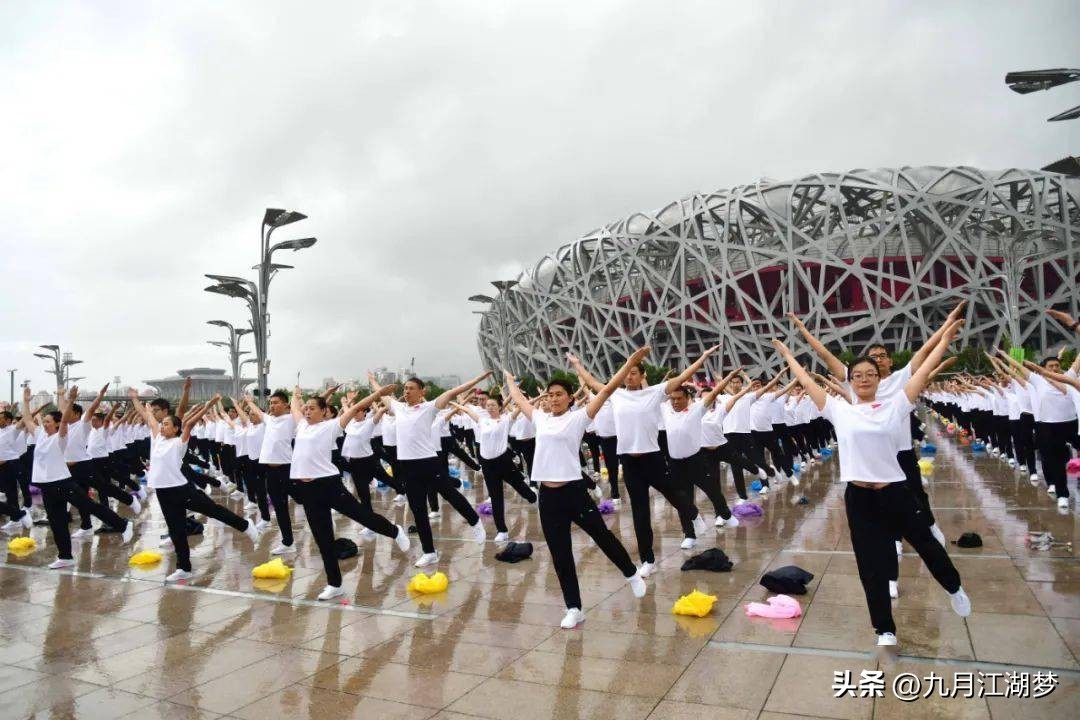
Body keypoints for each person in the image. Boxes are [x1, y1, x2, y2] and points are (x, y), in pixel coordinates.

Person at [771, 316, 971, 649]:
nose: (863, 379)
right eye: (857, 375)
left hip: (894, 491)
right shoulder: (839, 410)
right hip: (860, 497)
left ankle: (954, 587)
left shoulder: (895, 405)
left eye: (870, 374)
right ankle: (884, 629)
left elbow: (922, 369)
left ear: (879, 379)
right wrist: (787, 354)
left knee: (926, 543)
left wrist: (946, 339)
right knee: (870, 563)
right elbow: (805, 380)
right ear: (849, 381)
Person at [504, 348, 651, 629]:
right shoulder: (540, 418)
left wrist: (631, 363)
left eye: (559, 394)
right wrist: (510, 381)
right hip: (548, 497)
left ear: (570, 398)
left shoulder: (579, 417)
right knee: (560, 554)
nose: (553, 399)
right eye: (550, 395)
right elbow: (520, 400)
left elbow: (606, 390)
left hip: (573, 492)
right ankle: (574, 607)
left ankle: (631, 573)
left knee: (602, 536)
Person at [567, 348, 715, 576]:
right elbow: (592, 382)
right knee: (640, 512)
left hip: (652, 457)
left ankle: (693, 515)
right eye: (627, 372)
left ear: (642, 375)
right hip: (629, 461)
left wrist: (702, 357)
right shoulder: (616, 394)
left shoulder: (655, 392)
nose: (629, 377)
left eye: (634, 372)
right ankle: (647, 559)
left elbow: (682, 377)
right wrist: (577, 364)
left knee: (673, 493)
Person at [288, 384, 410, 600]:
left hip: (328, 485)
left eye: (312, 408)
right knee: (323, 538)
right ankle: (335, 584)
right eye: (306, 408)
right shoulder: (302, 427)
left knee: (361, 514)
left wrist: (378, 394)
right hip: (307, 490)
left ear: (324, 411)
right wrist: (295, 396)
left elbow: (356, 408)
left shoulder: (331, 426)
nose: (307, 411)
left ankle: (394, 531)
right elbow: (294, 408)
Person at [129, 391, 260, 582]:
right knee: (176, 529)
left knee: (213, 510)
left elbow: (189, 423)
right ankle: (184, 568)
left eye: (166, 424)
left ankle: (246, 525)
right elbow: (147, 415)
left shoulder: (179, 443)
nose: (162, 426)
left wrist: (208, 406)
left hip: (182, 490)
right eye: (162, 424)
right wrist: (135, 398)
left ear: (176, 429)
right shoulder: (157, 438)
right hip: (163, 492)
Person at [373, 372, 493, 568]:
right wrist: (372, 380)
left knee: (450, 494)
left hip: (428, 462)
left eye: (411, 388)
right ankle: (429, 552)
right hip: (407, 465)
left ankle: (474, 521)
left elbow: (453, 392)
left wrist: (477, 380)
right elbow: (382, 394)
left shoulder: (429, 407)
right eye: (405, 388)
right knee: (418, 510)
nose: (407, 391)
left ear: (422, 392)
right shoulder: (399, 408)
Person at [22, 386, 135, 569]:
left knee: (90, 506)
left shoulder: (61, 437)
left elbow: (64, 419)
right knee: (57, 522)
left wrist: (71, 400)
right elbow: (27, 419)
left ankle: (123, 525)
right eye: (45, 421)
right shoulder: (40, 434)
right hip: (47, 486)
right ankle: (65, 557)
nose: (45, 423)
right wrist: (26, 402)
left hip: (62, 483)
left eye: (48, 421)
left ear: (57, 424)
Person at [451, 396, 537, 542]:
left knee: (521, 488)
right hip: (487, 464)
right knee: (495, 497)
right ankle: (502, 530)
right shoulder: (482, 420)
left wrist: (533, 398)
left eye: (493, 405)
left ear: (500, 407)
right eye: (488, 405)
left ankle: (534, 499)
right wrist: (455, 404)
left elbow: (521, 407)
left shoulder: (506, 419)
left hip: (503, 462)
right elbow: (467, 410)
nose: (490, 407)